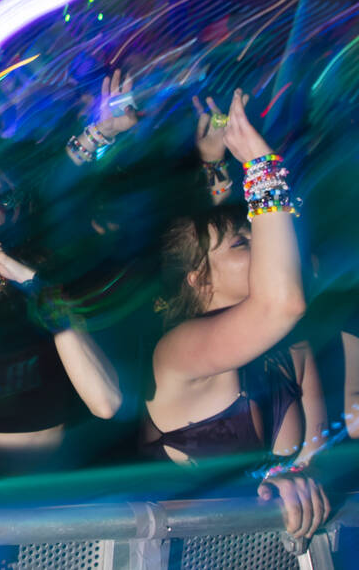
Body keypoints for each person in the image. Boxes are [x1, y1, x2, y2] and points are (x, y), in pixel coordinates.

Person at [145, 89, 329, 539]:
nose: (260, 244)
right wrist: (261, 165)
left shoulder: (293, 348)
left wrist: (303, 481)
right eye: (241, 244)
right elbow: (280, 303)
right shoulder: (178, 351)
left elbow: (319, 454)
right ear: (199, 280)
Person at [0, 163, 122, 476]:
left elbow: (106, 403)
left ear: (15, 211)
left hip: (37, 487)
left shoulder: (44, 283)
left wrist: (33, 284)